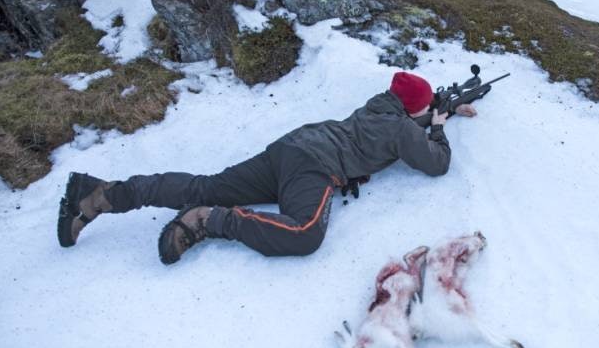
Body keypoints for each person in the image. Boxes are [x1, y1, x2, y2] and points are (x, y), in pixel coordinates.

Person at [57, 71, 477, 264]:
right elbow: (436, 163)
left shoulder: (379, 106)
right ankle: (210, 221)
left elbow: (408, 113)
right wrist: (439, 128)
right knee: (304, 233)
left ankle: (101, 195)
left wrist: (440, 107)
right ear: (415, 110)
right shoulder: (406, 130)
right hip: (314, 167)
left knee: (205, 184)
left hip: (291, 147)